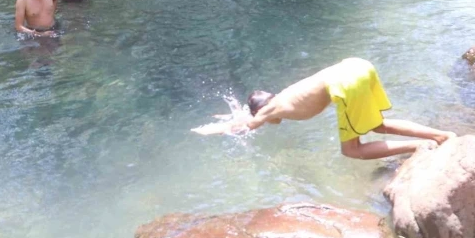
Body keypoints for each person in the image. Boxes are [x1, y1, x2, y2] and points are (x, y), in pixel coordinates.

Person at [193, 58, 456, 160]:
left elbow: (243, 125)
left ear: (259, 110)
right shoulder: (284, 95)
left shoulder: (268, 112)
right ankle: (441, 134)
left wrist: (212, 130)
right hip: (357, 65)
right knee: (378, 124)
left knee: (351, 150)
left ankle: (421, 147)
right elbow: (248, 117)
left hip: (345, 83)